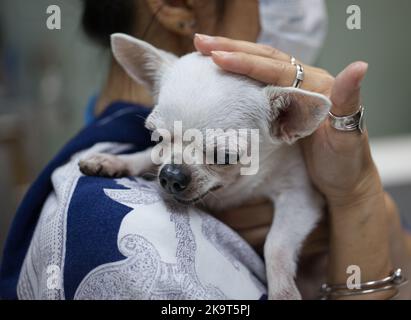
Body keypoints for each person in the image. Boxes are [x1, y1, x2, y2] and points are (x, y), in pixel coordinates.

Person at [1, 0, 410, 300]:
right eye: (160, 136)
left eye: (223, 153)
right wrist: (358, 201)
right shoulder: (110, 224)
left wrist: (360, 198)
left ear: (287, 123)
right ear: (180, 5)